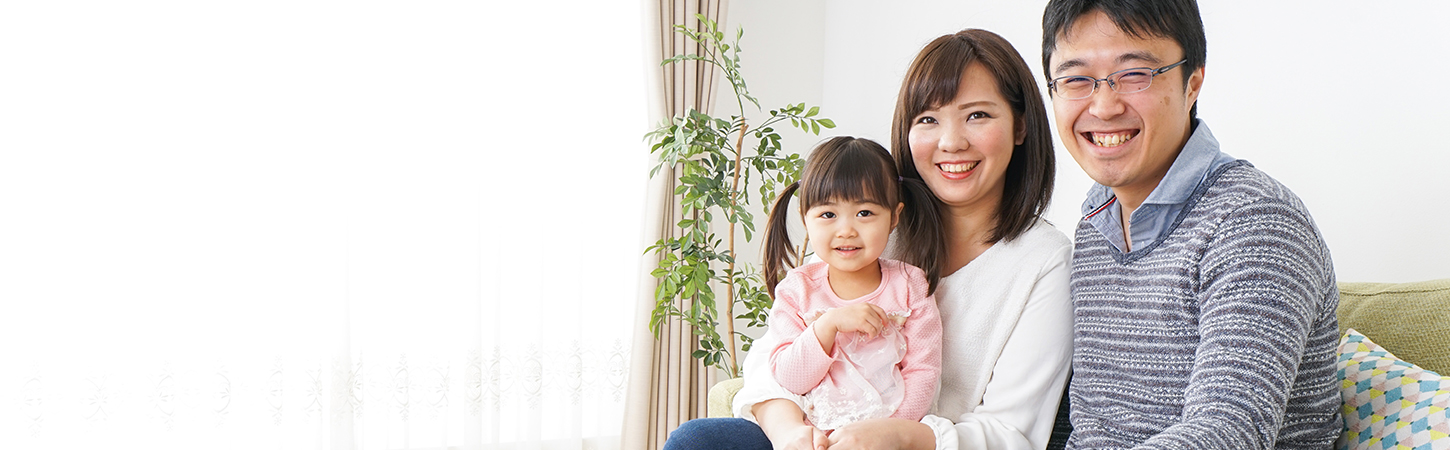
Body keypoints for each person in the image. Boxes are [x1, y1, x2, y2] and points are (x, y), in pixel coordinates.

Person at [664, 28, 1073, 450]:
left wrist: (900, 436)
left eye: (978, 115)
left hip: (925, 445)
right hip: (815, 436)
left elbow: (1012, 432)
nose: (951, 142)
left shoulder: (1043, 260)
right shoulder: (869, 229)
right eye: (928, 119)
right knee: (698, 441)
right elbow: (772, 363)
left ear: (1021, 125)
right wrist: (789, 432)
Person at [1039, 0, 1343, 448]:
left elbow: (1228, 433)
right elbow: (1089, 426)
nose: (1103, 106)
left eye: (1134, 73)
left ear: (1193, 83)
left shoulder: (1254, 221)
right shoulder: (1095, 222)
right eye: (1076, 79)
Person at [753, 136, 945, 442]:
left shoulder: (910, 286)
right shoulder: (798, 290)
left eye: (865, 213)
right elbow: (790, 378)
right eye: (828, 215)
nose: (846, 231)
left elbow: (923, 373)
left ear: (894, 216)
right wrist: (828, 325)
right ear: (805, 218)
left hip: (883, 440)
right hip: (811, 439)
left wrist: (887, 434)